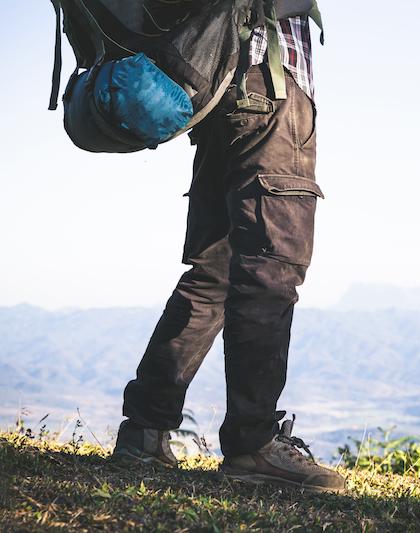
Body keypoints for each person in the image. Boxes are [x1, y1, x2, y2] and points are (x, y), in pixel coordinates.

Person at [110, 7, 344, 494]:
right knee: (271, 272)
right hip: (268, 84)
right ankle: (253, 445)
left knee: (213, 273)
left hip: (213, 92)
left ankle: (146, 431)